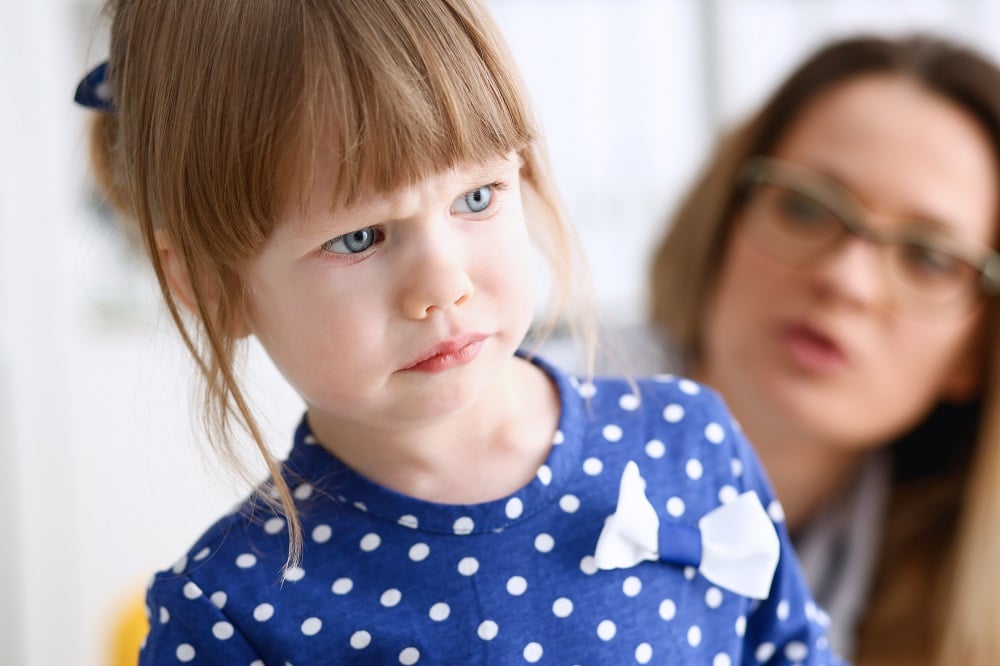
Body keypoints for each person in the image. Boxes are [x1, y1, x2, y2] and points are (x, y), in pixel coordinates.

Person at [76, 1, 840, 664]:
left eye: (478, 196)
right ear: (210, 285)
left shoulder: (686, 441)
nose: (445, 285)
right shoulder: (231, 613)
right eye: (359, 238)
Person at [649, 34, 1000, 666]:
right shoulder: (492, 439)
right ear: (724, 221)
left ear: (978, 348)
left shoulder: (957, 621)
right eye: (807, 209)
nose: (847, 280)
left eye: (927, 257)